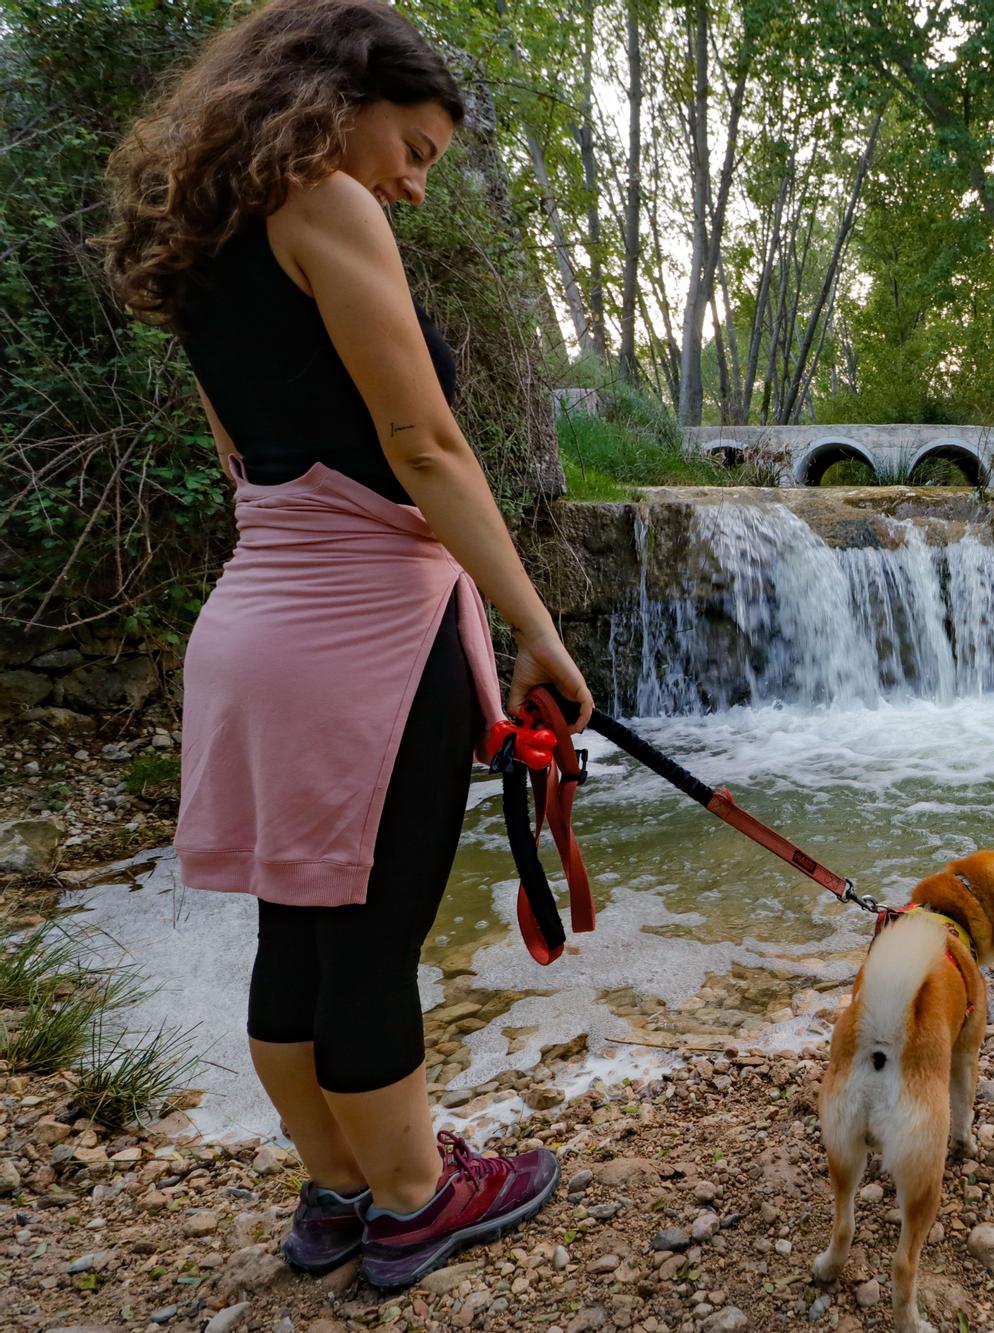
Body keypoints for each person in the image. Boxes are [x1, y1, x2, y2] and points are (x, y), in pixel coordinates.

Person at [97, 0, 594, 1290]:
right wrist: (535, 631)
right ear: (341, 96)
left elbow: (240, 455)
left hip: (258, 621)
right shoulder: (326, 202)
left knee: (297, 931)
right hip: (369, 637)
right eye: (415, 149)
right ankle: (420, 1196)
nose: (415, 185)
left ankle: (338, 1189)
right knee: (374, 939)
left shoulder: (201, 238)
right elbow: (425, 446)